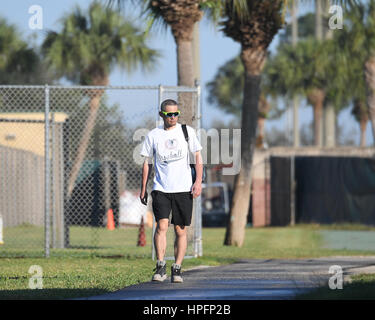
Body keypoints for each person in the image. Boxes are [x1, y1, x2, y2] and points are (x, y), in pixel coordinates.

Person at [139, 99, 203, 283]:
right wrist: (143, 188)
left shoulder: (187, 132)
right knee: (161, 226)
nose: (173, 117)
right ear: (162, 115)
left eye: (176, 114)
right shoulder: (153, 135)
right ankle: (160, 266)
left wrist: (197, 181)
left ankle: (177, 268)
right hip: (161, 188)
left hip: (183, 188)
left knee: (180, 230)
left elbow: (198, 157)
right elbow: (147, 163)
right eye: (169, 114)